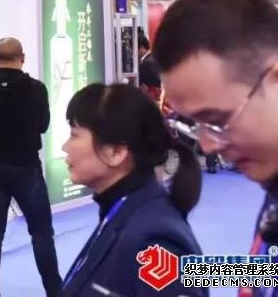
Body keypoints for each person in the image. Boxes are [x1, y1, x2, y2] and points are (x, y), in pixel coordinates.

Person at [154, 0, 278, 295]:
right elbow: (275, 269)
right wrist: (183, 272)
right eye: (196, 125)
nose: (208, 145)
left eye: (217, 120)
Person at [60, 83, 204, 297]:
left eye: (74, 135)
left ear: (116, 152)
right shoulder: (121, 213)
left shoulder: (154, 242)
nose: (65, 147)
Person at [0, 38, 59, 297]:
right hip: (26, 166)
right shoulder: (36, 88)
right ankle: (54, 290)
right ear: (23, 57)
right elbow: (43, 125)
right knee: (41, 233)